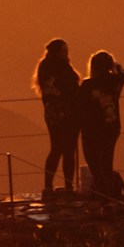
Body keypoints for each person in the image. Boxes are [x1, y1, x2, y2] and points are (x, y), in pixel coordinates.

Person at [33, 38, 82, 196]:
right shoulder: (62, 68)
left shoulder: (44, 68)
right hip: (68, 114)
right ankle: (68, 186)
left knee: (56, 148)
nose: (66, 54)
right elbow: (72, 90)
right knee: (68, 150)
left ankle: (48, 186)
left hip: (53, 115)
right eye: (64, 51)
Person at [80, 50, 124, 199]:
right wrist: (114, 67)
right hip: (111, 127)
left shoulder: (87, 85)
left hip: (91, 130)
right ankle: (109, 198)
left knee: (95, 165)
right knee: (107, 164)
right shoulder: (116, 81)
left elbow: (79, 106)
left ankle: (104, 197)